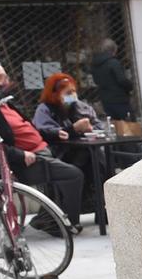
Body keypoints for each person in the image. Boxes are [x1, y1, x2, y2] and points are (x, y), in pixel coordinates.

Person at [0, 60, 85, 230]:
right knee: (73, 174)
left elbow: (26, 126)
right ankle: (63, 225)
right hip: (21, 161)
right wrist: (21, 155)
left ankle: (49, 218)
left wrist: (54, 133)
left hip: (42, 150)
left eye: (5, 76)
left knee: (84, 160)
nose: (5, 82)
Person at [32, 72, 106, 220]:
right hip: (60, 153)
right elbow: (44, 131)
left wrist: (90, 127)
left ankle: (101, 208)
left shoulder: (80, 106)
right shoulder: (45, 109)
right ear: (55, 93)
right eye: (67, 93)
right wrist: (73, 129)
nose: (72, 95)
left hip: (85, 151)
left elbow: (98, 125)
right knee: (94, 159)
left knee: (99, 160)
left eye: (73, 92)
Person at [90, 38, 136, 123]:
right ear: (113, 50)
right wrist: (131, 86)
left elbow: (96, 81)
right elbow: (122, 80)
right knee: (129, 124)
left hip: (106, 100)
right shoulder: (113, 63)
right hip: (119, 99)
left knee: (115, 124)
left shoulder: (95, 65)